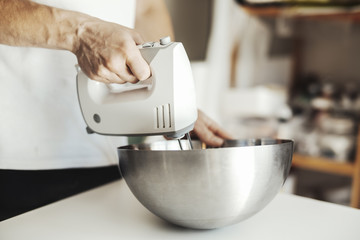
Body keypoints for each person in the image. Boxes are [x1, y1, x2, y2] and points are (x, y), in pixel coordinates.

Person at [0, 0, 232, 170]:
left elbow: (147, 8)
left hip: (107, 155)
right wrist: (79, 33)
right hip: (16, 157)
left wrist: (175, 100)